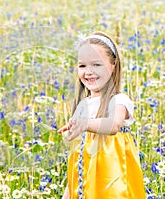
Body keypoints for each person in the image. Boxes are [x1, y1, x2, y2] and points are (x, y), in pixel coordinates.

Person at [57, 31, 146, 198]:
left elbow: (113, 125)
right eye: (83, 66)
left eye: (96, 65)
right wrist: (68, 193)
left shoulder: (119, 100)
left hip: (114, 182)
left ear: (113, 66)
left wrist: (85, 123)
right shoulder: (83, 106)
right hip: (85, 186)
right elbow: (77, 159)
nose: (88, 71)